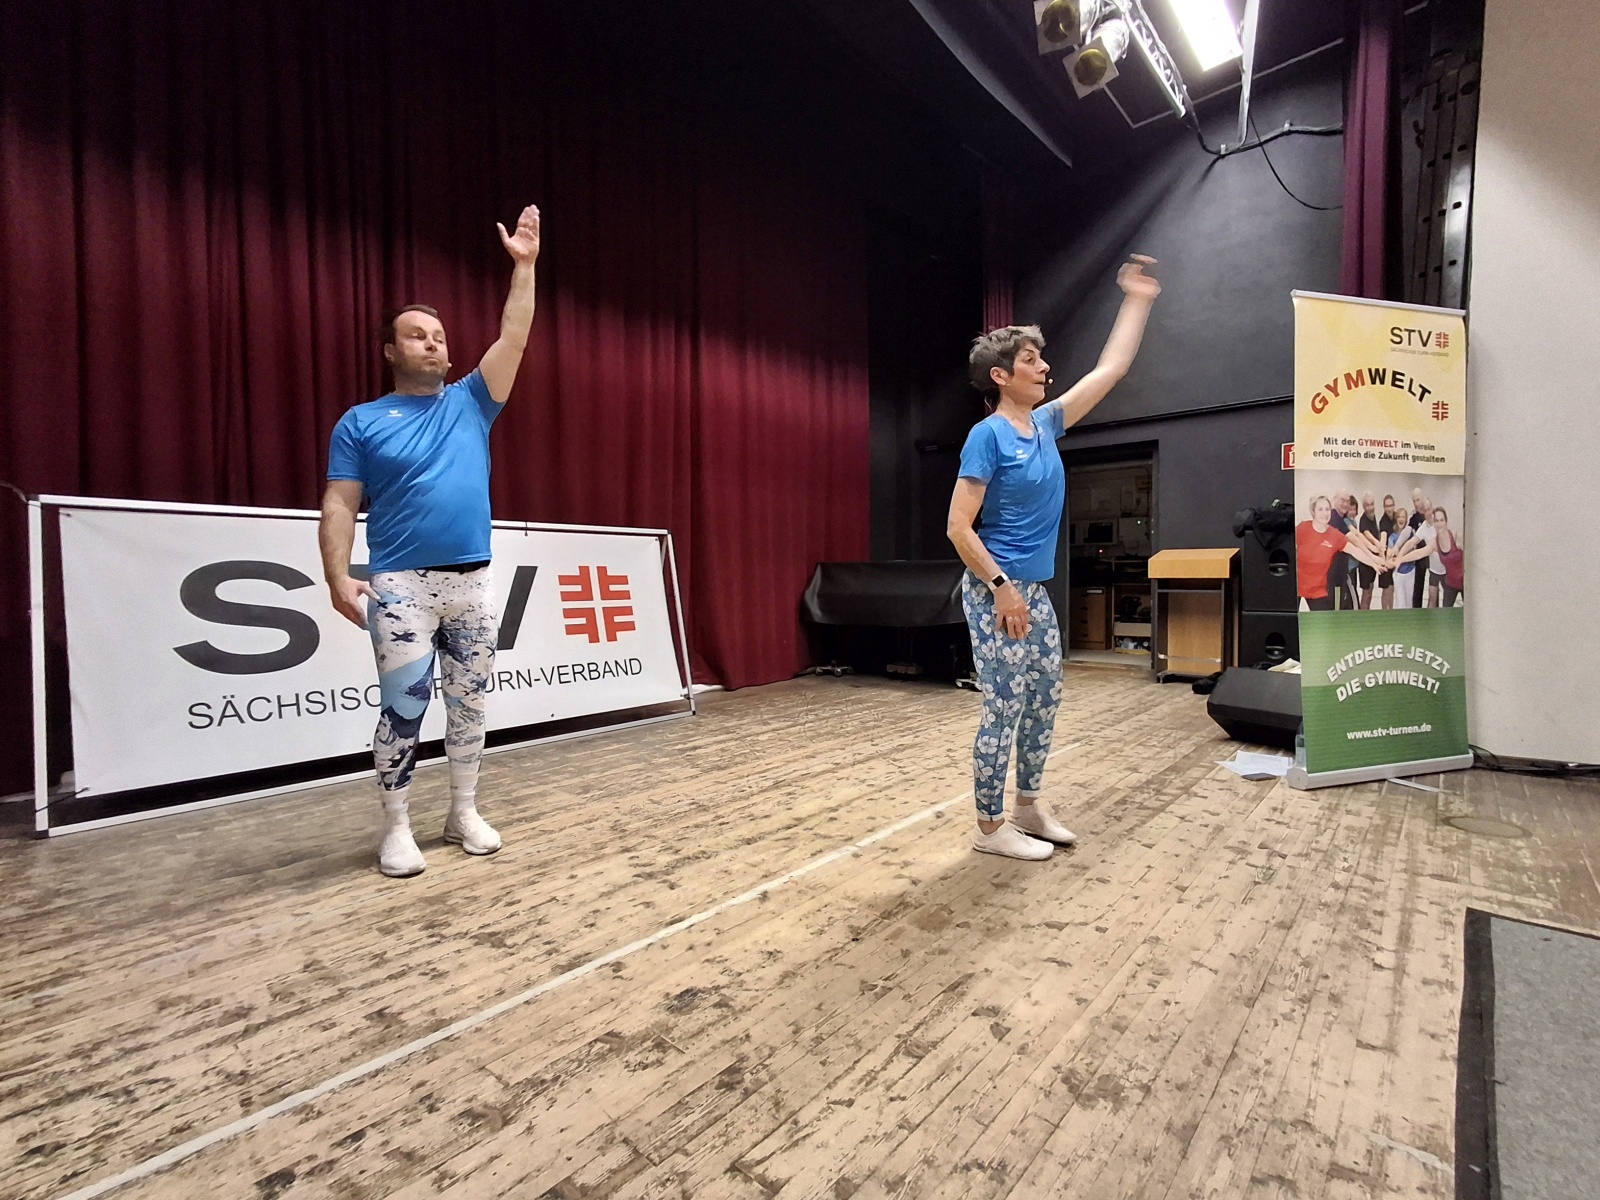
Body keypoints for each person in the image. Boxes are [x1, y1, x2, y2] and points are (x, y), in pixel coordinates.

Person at [318, 204, 542, 878]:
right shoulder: (360, 422)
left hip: (472, 583)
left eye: (440, 336)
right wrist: (336, 576)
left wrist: (525, 268)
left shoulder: (473, 400)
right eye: (417, 336)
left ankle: (462, 812)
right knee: (404, 707)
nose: (433, 344)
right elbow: (339, 503)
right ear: (391, 351)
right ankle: (396, 828)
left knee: (470, 705)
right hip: (399, 588)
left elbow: (514, 335)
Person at [946, 255, 1161, 861]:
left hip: (1032, 590)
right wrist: (1001, 587)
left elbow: (1111, 369)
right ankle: (989, 828)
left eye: (1041, 358)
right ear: (1000, 376)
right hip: (996, 589)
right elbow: (959, 528)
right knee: (1003, 705)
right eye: (1030, 360)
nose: (1044, 367)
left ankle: (1027, 806)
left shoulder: (1045, 424)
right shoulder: (987, 436)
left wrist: (1137, 299)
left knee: (1044, 698)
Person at [1296, 495, 1389, 611]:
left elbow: (1355, 551)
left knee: (1322, 621)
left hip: (1318, 590)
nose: (1324, 513)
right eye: (1320, 509)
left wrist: (1373, 563)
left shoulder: (1335, 536)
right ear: (1313, 511)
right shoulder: (1302, 529)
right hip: (1296, 586)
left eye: (1327, 509)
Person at [1432, 507, 1464, 607]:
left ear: (1446, 522)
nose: (1439, 523)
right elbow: (1420, 552)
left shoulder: (1456, 536)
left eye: (1441, 520)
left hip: (1465, 583)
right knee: (1446, 611)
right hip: (1451, 584)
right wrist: (1400, 559)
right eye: (1437, 521)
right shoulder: (1435, 542)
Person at [1355, 492, 1381, 609]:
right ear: (1363, 507)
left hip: (1373, 561)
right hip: (1365, 562)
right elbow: (1367, 534)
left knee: (1370, 590)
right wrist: (1377, 543)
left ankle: (1367, 611)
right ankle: (1363, 614)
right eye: (1367, 505)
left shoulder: (1373, 517)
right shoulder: (1363, 520)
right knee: (1366, 592)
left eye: (1372, 504)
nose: (1370, 507)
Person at [1377, 493, 1401, 609]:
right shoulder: (1383, 521)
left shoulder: (1397, 518)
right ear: (1384, 507)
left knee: (1392, 588)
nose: (1389, 508)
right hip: (1385, 558)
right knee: (1386, 589)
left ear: (1394, 505)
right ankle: (1384, 612)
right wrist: (1383, 557)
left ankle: (1390, 610)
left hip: (1394, 559)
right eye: (1387, 506)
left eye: (1391, 505)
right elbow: (1383, 537)